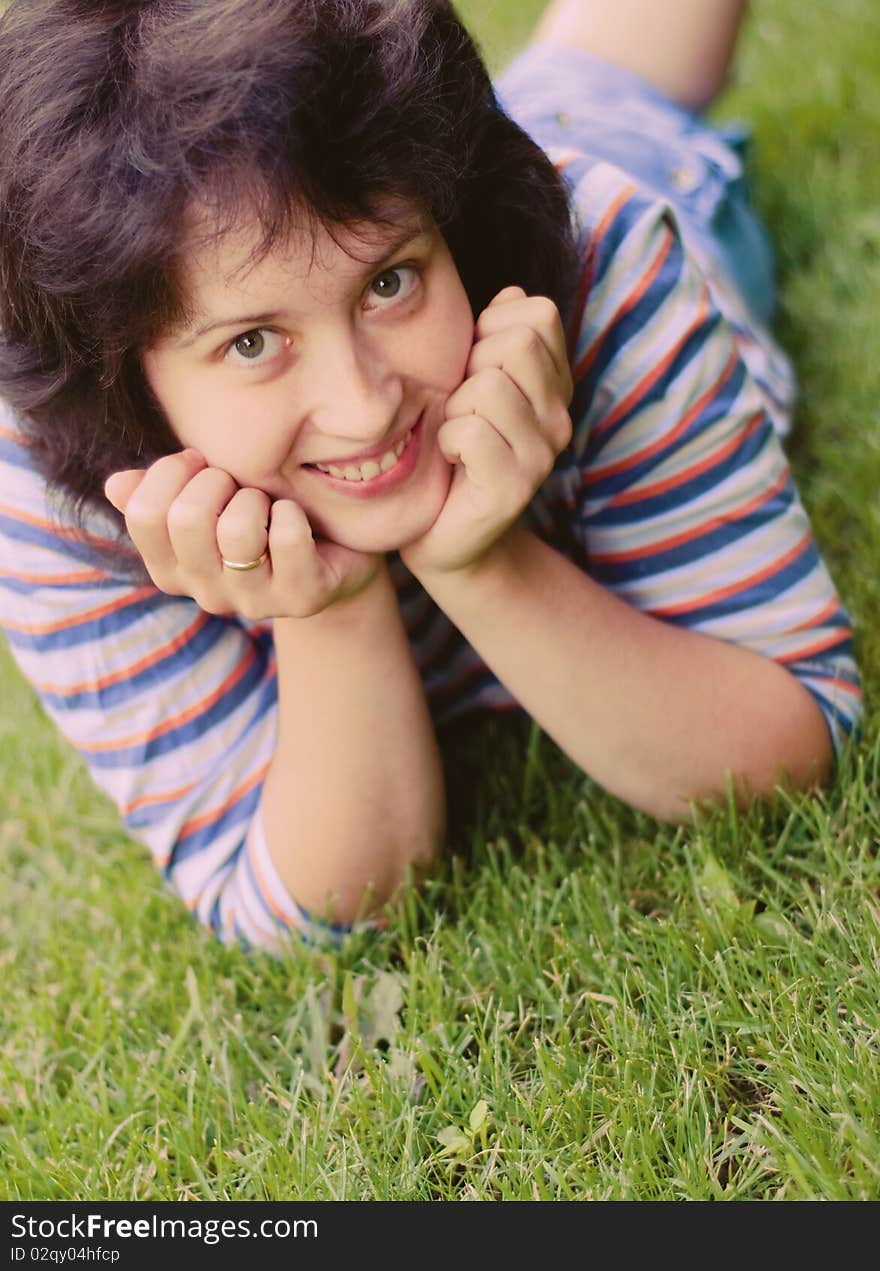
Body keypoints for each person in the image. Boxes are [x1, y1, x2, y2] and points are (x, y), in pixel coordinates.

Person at [0, 0, 860, 953]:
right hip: (341, 183)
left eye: (390, 283)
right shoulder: (55, 492)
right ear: (124, 376)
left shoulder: (598, 258)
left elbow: (791, 740)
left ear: (447, 228)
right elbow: (317, 908)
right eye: (252, 342)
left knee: (608, 90)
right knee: (570, 83)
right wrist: (326, 606)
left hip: (628, 167)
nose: (363, 407)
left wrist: (482, 564)